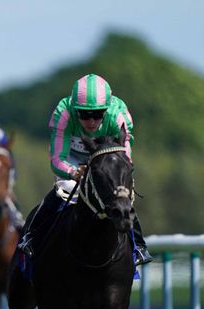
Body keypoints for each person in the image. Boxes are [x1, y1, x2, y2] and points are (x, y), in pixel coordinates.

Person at [17, 73, 152, 265]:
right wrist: (73, 172)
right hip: (71, 158)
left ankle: (138, 245)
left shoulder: (118, 116)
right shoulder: (64, 113)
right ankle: (30, 236)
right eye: (84, 114)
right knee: (63, 188)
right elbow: (57, 158)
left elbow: (126, 159)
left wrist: (118, 177)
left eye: (97, 114)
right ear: (74, 109)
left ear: (106, 110)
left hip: (107, 160)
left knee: (122, 195)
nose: (91, 121)